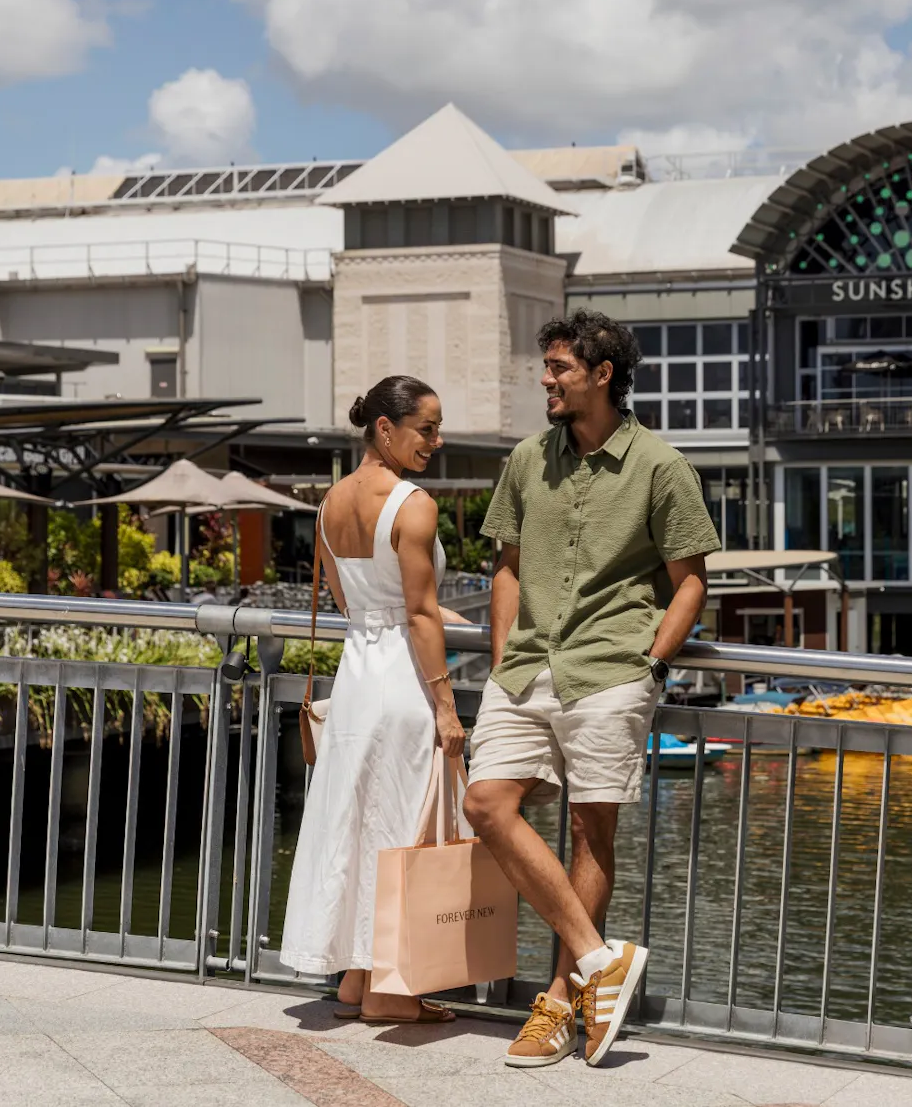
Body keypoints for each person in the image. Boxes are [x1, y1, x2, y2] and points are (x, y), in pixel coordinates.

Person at [463, 310, 719, 1068]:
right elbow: (506, 565)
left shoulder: (662, 466)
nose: (546, 380)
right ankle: (599, 958)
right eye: (546, 367)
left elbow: (691, 580)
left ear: (603, 375)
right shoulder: (525, 460)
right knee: (485, 804)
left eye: (560, 368)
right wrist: (504, 653)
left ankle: (557, 1007)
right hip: (524, 667)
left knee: (589, 832)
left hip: (611, 669)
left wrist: (653, 664)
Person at [280, 374, 467, 1025]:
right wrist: (447, 709)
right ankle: (391, 990)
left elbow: (352, 602)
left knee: (358, 823)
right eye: (426, 429)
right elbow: (416, 613)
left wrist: (429, 615)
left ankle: (357, 978)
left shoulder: (329, 504)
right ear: (385, 429)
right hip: (403, 682)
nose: (435, 442)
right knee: (403, 830)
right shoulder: (414, 504)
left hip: (356, 677)